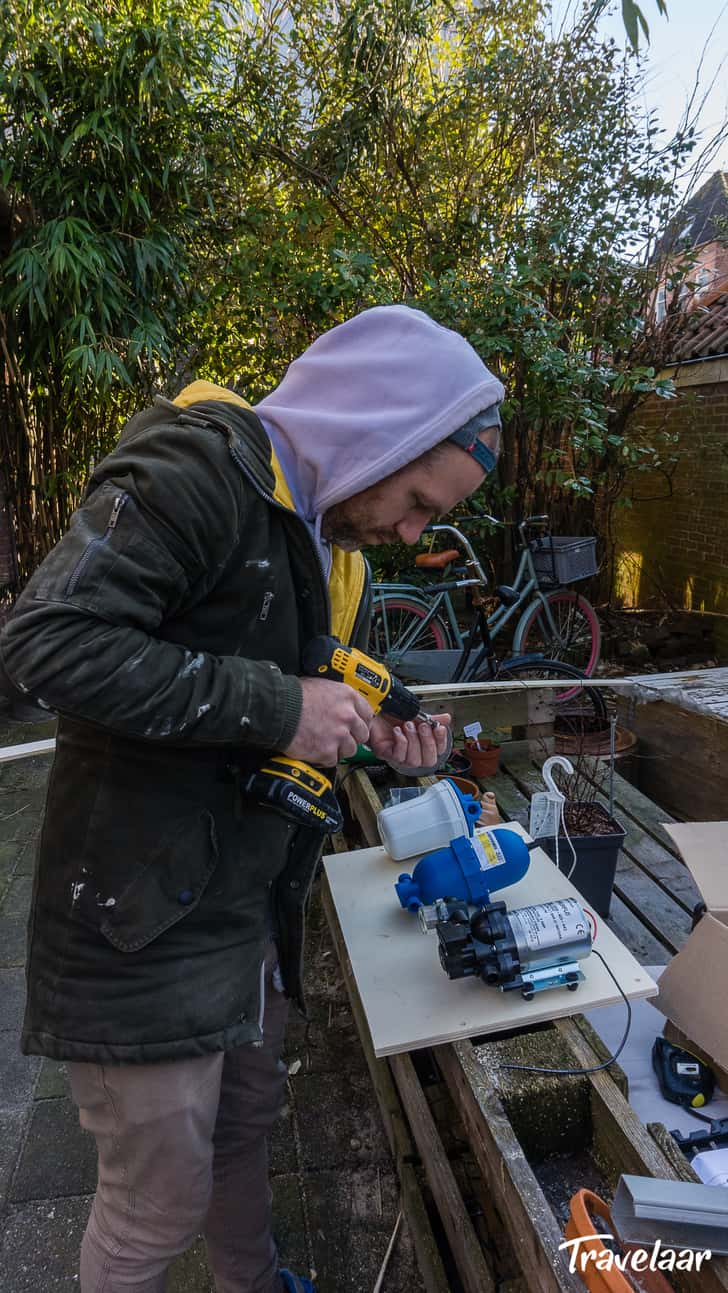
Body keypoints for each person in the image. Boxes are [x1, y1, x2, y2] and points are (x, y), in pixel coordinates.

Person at [0, 304, 503, 1293]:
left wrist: (376, 734)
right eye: (414, 498)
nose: (409, 531)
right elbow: (44, 645)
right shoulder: (194, 468)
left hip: (242, 916)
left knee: (244, 1136)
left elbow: (271, 673)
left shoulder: (321, 541)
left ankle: (254, 1281)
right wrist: (281, 707)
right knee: (152, 1210)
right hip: (137, 925)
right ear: (374, 431)